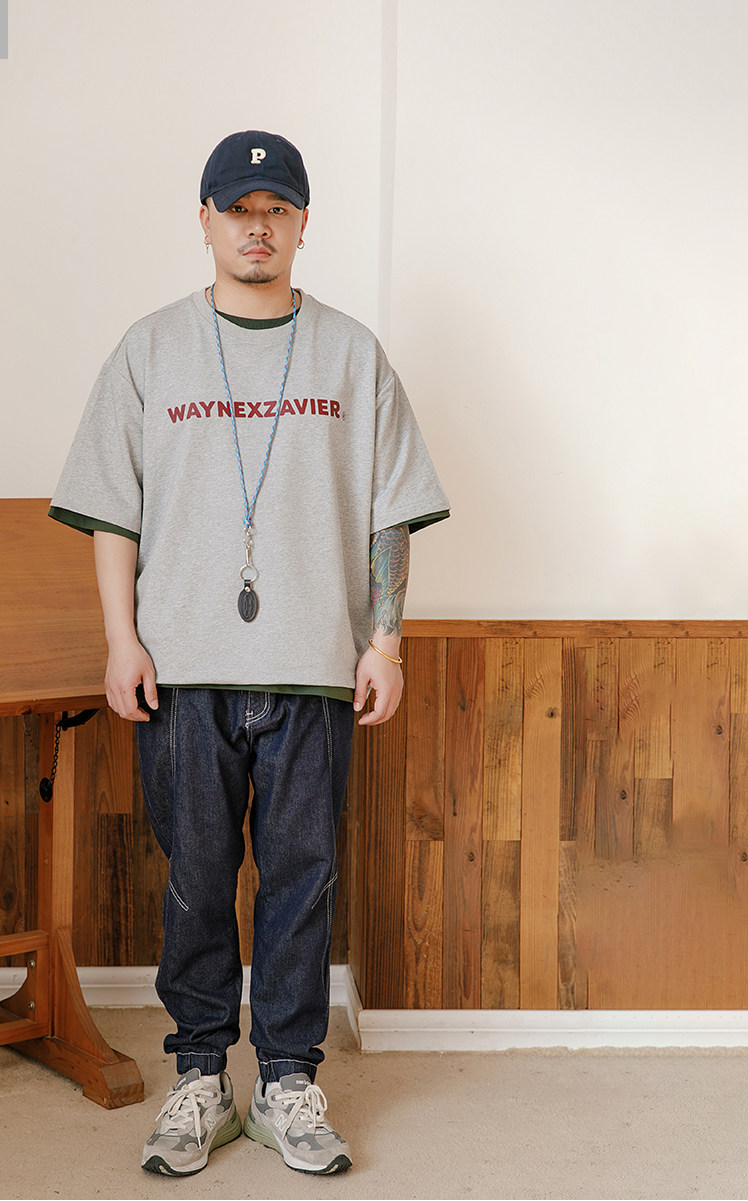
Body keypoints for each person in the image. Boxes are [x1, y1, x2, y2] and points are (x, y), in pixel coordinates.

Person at [49, 130, 449, 1178]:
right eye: (238, 208)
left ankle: (285, 1078)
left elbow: (391, 510)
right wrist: (122, 639)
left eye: (276, 208)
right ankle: (197, 1074)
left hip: (314, 662)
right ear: (205, 221)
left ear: (304, 223)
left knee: (302, 878)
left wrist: (386, 639)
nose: (256, 226)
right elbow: (114, 510)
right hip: (182, 665)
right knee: (194, 877)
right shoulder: (150, 348)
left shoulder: (352, 353)